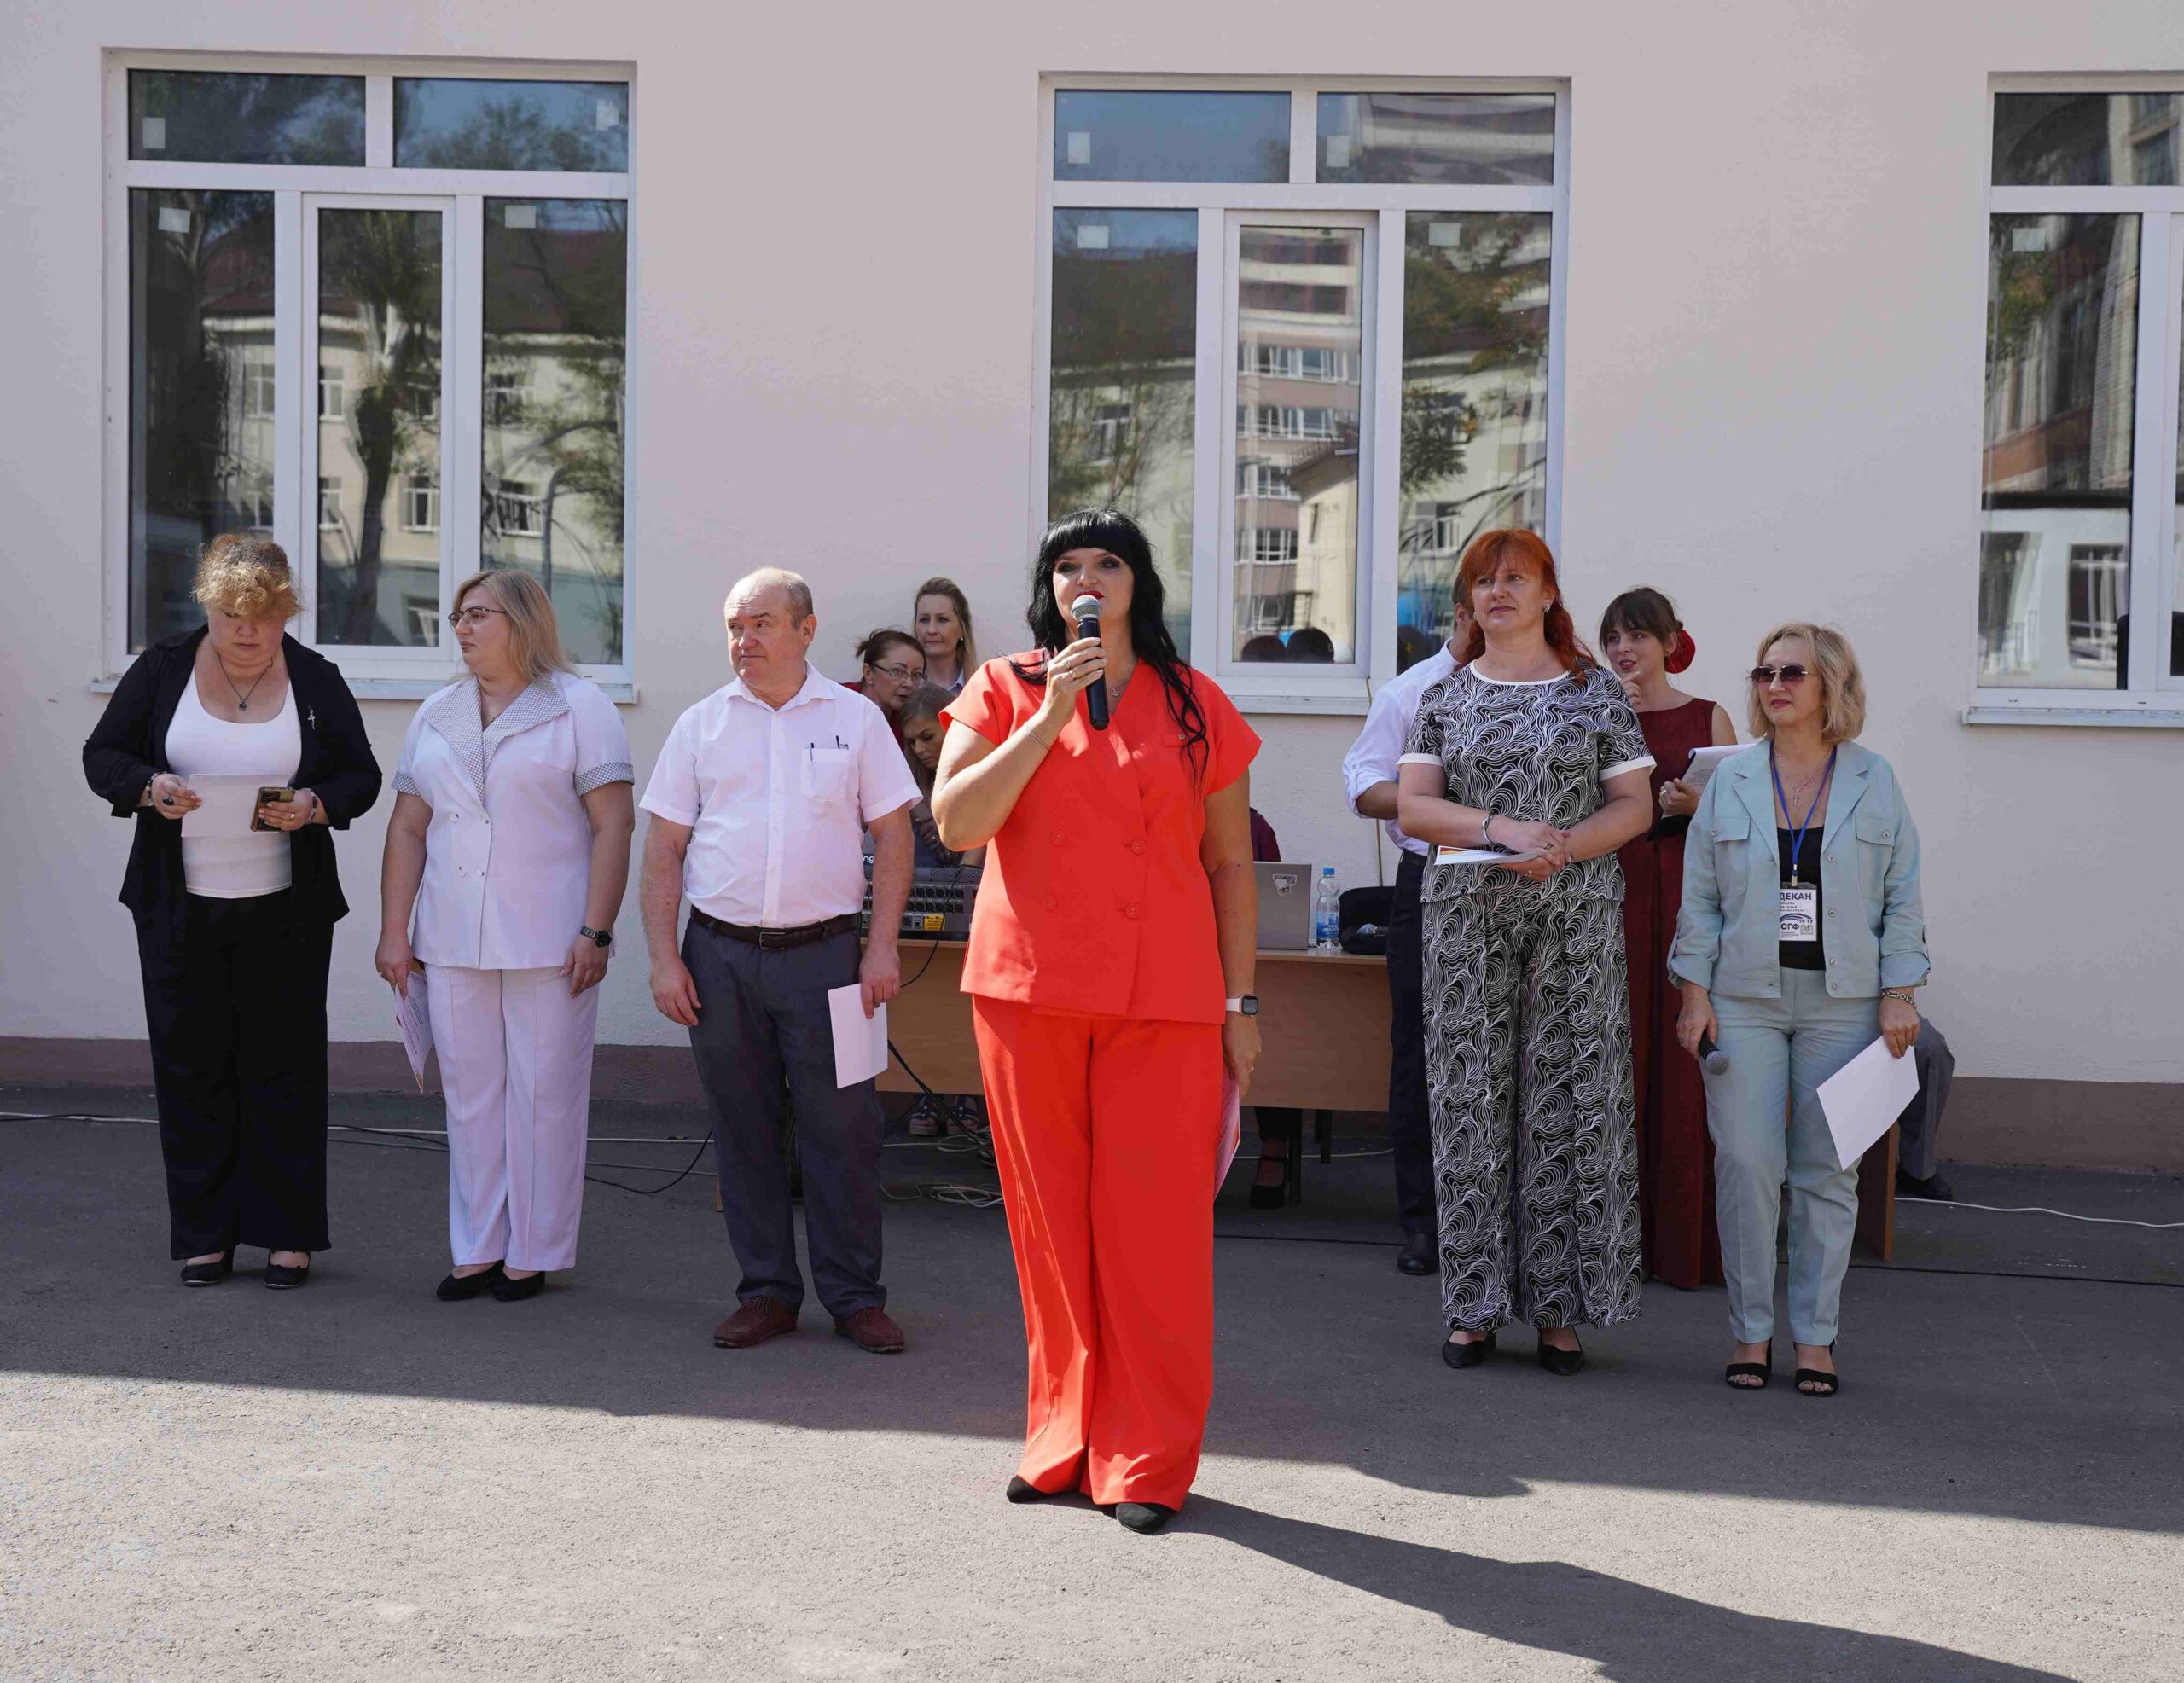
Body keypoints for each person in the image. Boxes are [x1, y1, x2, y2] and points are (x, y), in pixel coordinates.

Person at [930, 508, 1261, 1535]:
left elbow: (1230, 863)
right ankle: (1061, 1436)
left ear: (1137, 583)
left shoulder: (1196, 700)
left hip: (1165, 997)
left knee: (1154, 1237)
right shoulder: (1003, 686)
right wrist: (1048, 716)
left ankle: (1146, 1456)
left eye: (1106, 562)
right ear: (1050, 586)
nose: (1086, 578)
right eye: (1067, 564)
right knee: (1050, 1232)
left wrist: (1241, 1001)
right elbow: (957, 824)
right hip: (1028, 993)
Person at [81, 534, 380, 1288]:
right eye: (231, 617)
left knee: (285, 1068)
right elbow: (103, 755)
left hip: (286, 910)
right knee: (191, 1067)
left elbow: (362, 776)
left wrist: (315, 805)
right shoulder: (162, 669)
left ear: (287, 613)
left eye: (265, 617)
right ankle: (205, 1235)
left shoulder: (316, 678)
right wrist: (150, 787)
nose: (248, 632)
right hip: (178, 908)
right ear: (207, 608)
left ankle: (287, 1235)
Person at [640, 568, 920, 1355]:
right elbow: (663, 849)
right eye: (735, 626)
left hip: (829, 957)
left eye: (761, 623)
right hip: (720, 958)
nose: (745, 640)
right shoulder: (700, 725)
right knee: (745, 1129)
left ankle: (855, 1296)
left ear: (806, 629)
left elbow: (893, 835)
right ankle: (766, 1291)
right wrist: (664, 959)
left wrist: (882, 945)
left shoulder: (856, 719)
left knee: (846, 1131)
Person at [1396, 530, 1654, 1376]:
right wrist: (1502, 829)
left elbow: (1635, 806)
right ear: (1467, 601)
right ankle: (1473, 1308)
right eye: (1483, 581)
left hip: (1575, 917)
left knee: (1566, 1102)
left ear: (1548, 592)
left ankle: (1558, 1311)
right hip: (1466, 920)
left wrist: (1562, 847)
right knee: (1469, 1102)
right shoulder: (1444, 694)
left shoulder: (1595, 691)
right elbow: (1415, 807)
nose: (1497, 591)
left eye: (1515, 577)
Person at [1672, 623, 1927, 1398]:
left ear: (1831, 686)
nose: (1774, 685)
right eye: (1764, 672)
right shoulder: (1733, 779)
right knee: (1747, 1164)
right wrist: (1693, 990)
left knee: (1827, 1173)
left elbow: (1902, 895)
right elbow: (1701, 896)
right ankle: (1751, 1330)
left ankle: (1816, 1336)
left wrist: (1899, 992)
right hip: (1743, 997)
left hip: (1842, 1002)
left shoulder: (1874, 779)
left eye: (1792, 673)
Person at [375, 569, 635, 1303]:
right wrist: (395, 930)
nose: (461, 627)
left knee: (545, 1095)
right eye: (458, 616)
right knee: (469, 1096)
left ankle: (535, 1250)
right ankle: (478, 1247)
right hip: (451, 934)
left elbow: (614, 823)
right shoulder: (436, 712)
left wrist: (597, 928)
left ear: (522, 622)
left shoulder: (580, 705)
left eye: (478, 614)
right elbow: (408, 827)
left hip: (551, 936)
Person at [1599, 588, 1738, 1291]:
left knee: (1683, 1064)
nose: (1625, 649)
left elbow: (1747, 815)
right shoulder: (1594, 711)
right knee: (1615, 1059)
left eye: (1638, 636)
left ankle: (1683, 1242)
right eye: (1614, 638)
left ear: (1669, 642)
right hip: (1612, 895)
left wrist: (1699, 802)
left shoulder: (1707, 715)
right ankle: (1612, 1242)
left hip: (1687, 894)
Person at [1340, 596, 1473, 1275]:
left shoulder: (1552, 681)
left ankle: (1504, 1223)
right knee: (1420, 1053)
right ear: (1461, 610)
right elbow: (1365, 785)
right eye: (1487, 594)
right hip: (1433, 877)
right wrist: (1438, 802)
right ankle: (1425, 1224)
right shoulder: (1413, 689)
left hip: (1524, 879)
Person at [892, 681, 985, 1140]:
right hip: (926, 920)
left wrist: (962, 875)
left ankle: (968, 1095)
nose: (920, 749)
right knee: (925, 1005)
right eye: (912, 742)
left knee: (966, 1010)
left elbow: (976, 853)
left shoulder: (982, 767)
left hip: (976, 914)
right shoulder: (911, 785)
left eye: (928, 736)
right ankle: (929, 1089)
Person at [1244, 808, 1307, 1209]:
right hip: (1171, 958)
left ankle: (1274, 1146)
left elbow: (1276, 897)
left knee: (1278, 1027)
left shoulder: (1252, 824)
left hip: (1246, 959)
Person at [1895, 1020, 1955, 1200]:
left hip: (1874, 1009)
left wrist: (1900, 1005)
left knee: (1931, 1048)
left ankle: (1915, 1169)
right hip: (1825, 1015)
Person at [912, 577, 977, 695]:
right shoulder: (904, 690)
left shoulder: (981, 687)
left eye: (942, 619)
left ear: (962, 629)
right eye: (924, 620)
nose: (931, 630)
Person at [854, 628, 926, 728]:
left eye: (916, 674)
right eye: (897, 671)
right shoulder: (837, 703)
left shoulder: (910, 722)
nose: (909, 683)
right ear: (868, 673)